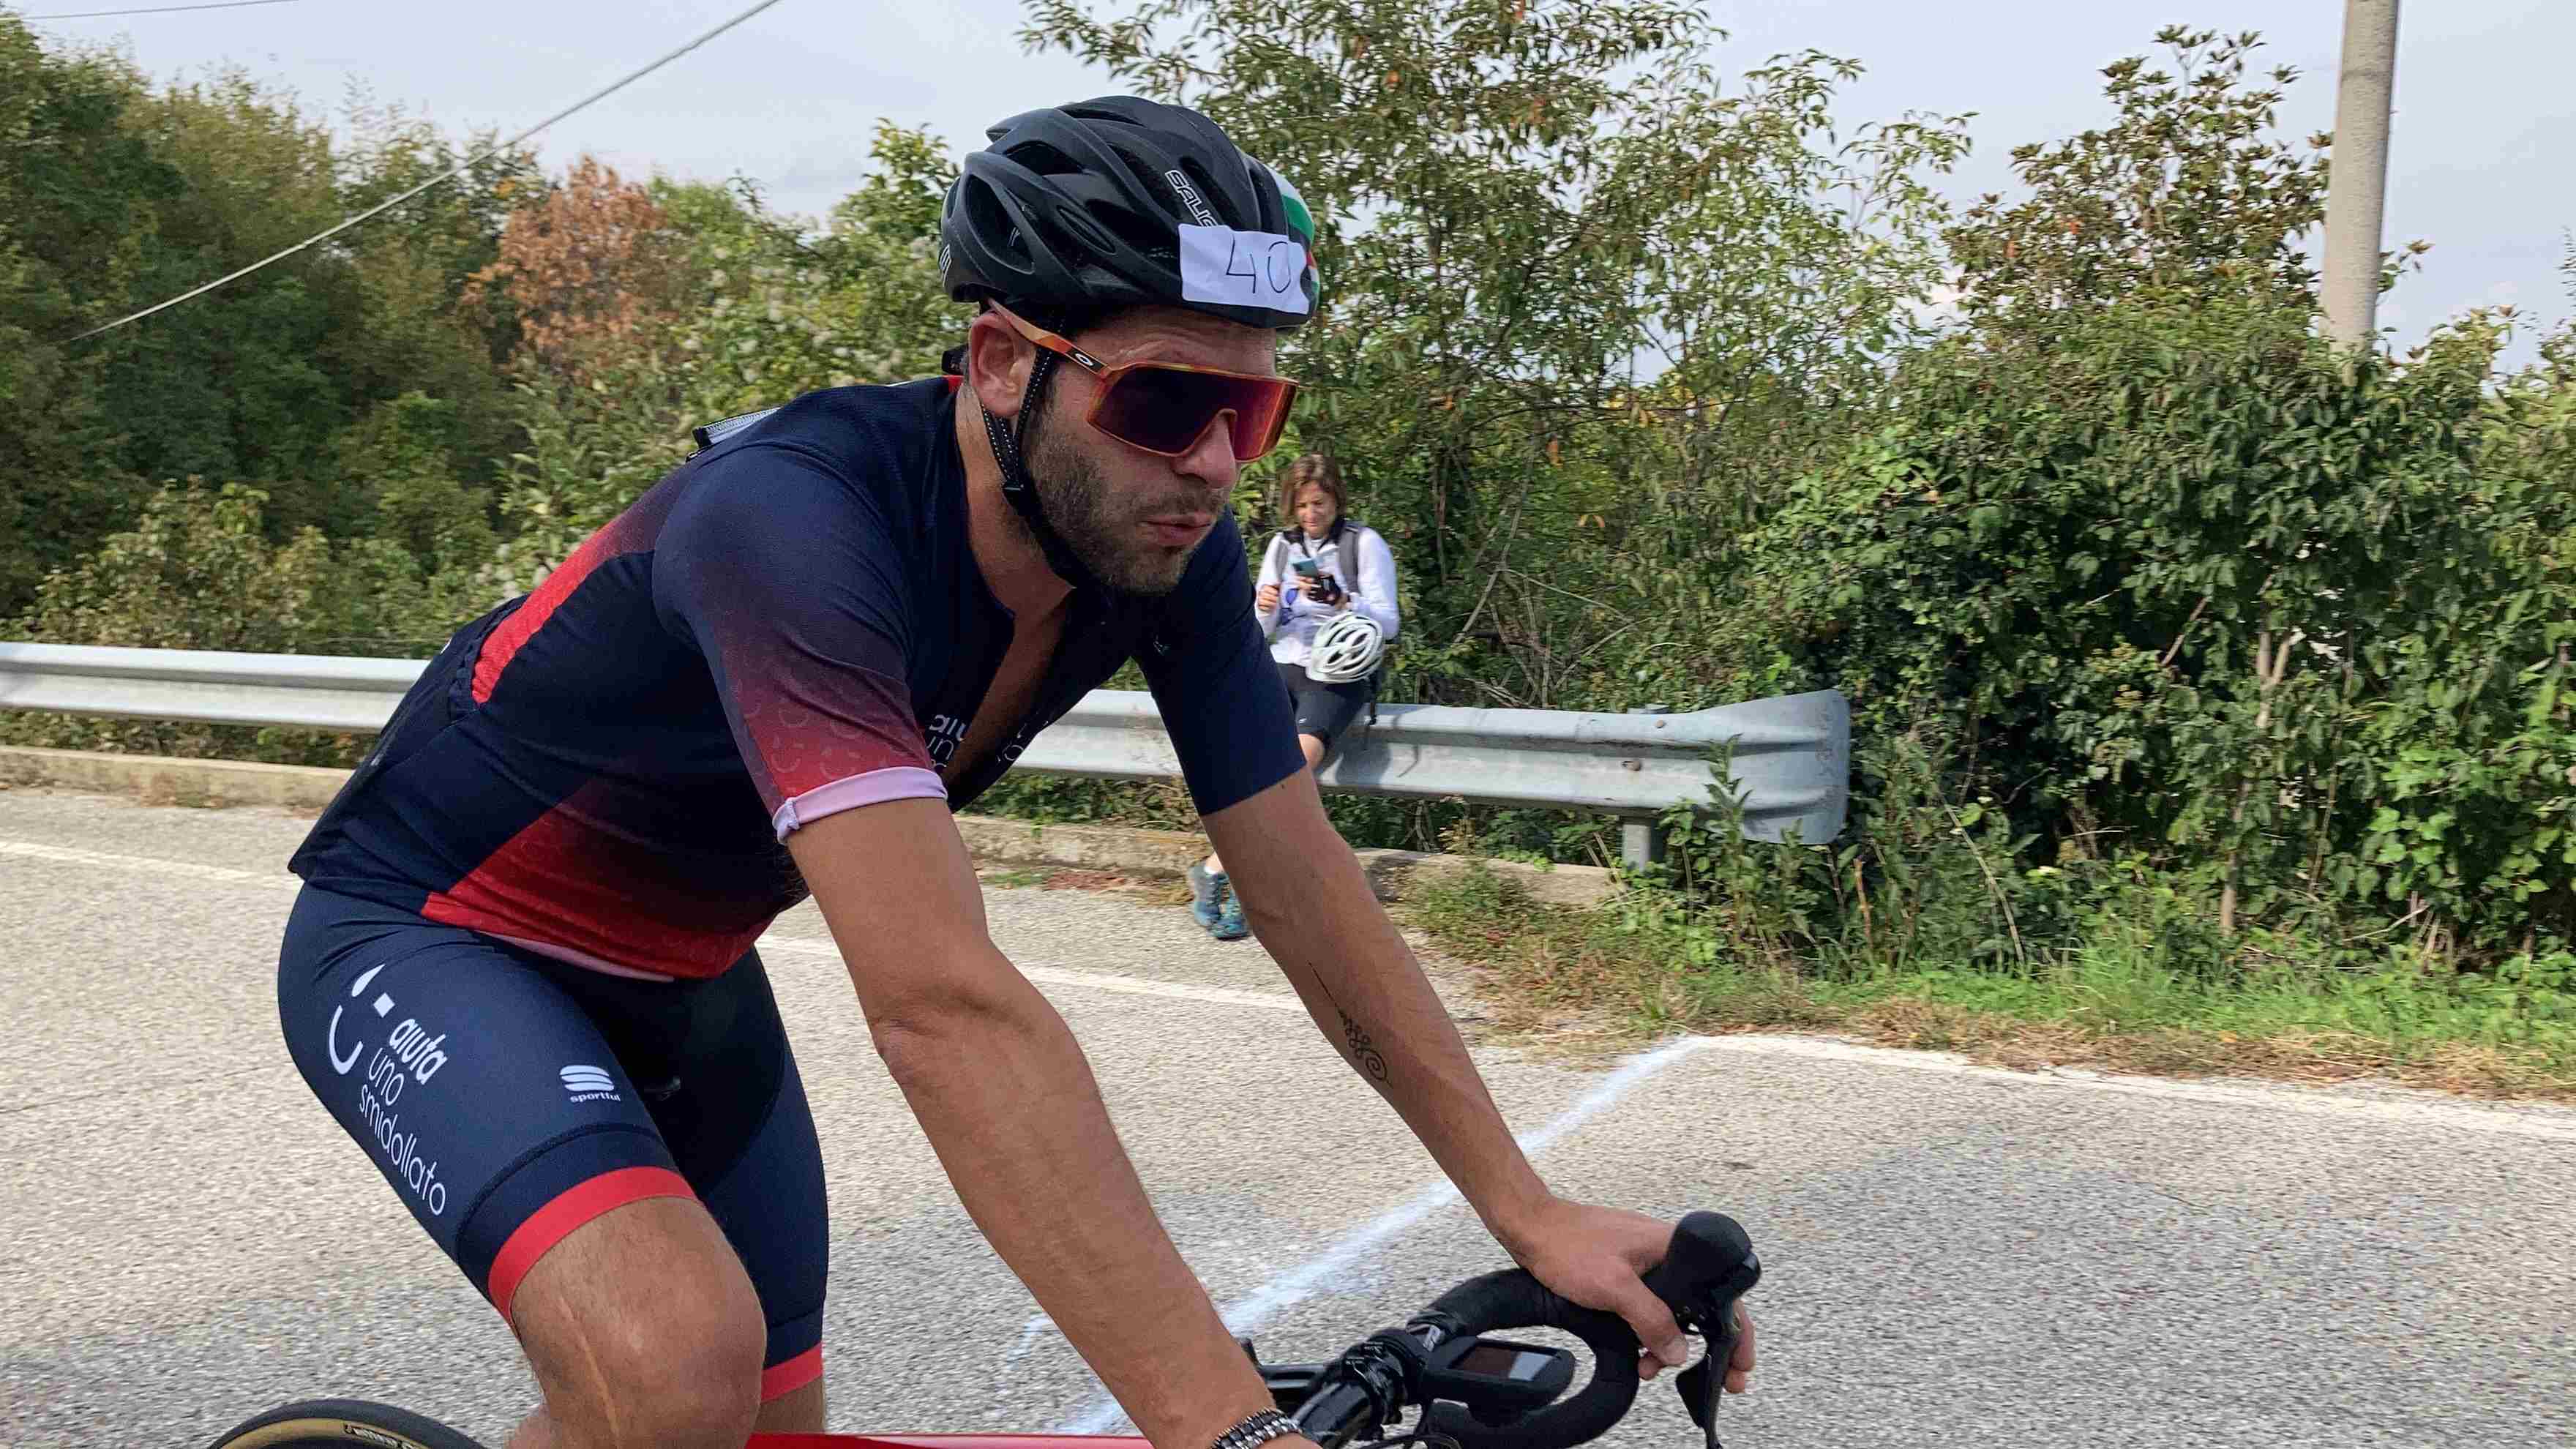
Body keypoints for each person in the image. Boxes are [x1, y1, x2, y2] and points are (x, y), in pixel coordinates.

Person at [273, 96, 1753, 1449]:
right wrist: (1224, 1427)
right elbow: (942, 1006)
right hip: (435, 938)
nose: (1213, 463)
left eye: (1251, 413)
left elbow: (1302, 886)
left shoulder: (1157, 543)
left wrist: (1526, 1206)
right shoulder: (792, 524)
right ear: (1000, 364)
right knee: (675, 1375)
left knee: (770, 1439)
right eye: (1165, 402)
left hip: (690, 978)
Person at [1188, 453, 1399, 941]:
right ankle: (1240, 879)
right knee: (1257, 772)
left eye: (1319, 504)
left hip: (1338, 670)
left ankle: (1222, 869)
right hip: (1283, 662)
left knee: (1292, 771)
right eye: (1302, 506)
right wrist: (1263, 606)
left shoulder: (1363, 544)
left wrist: (1341, 599)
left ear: (1336, 500)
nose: (1310, 514)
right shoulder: (1283, 547)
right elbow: (1259, 629)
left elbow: (1389, 623)